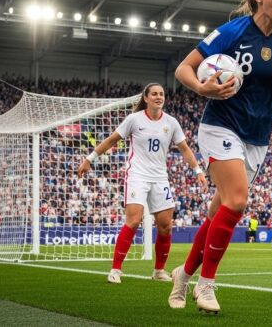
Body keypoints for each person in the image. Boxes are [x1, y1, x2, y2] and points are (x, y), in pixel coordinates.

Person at [167, 0, 272, 313]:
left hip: (257, 137)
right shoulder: (232, 32)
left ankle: (184, 273)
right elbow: (184, 69)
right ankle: (206, 285)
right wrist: (202, 87)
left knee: (217, 211)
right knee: (237, 202)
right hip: (220, 125)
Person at [77, 83, 207, 284]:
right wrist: (89, 158)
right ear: (145, 98)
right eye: (154, 94)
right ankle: (116, 270)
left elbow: (185, 149)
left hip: (160, 178)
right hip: (137, 175)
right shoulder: (134, 119)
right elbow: (112, 140)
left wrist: (198, 170)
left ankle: (158, 271)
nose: (158, 97)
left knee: (165, 226)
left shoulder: (171, 122)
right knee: (134, 221)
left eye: (161, 94)